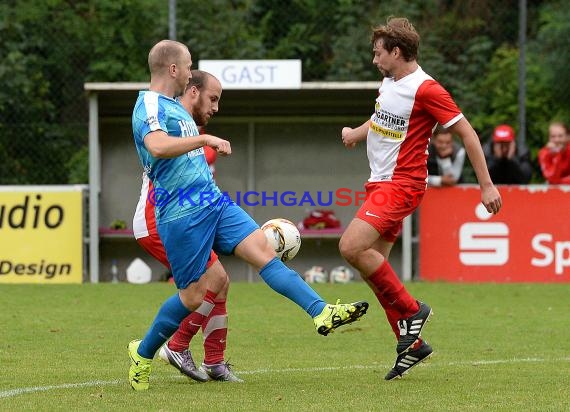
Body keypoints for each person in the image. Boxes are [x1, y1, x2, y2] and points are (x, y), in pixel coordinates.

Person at [128, 39, 369, 391]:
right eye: (189, 63)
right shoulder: (148, 104)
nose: (192, 69)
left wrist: (202, 140)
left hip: (213, 204)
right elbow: (157, 146)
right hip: (180, 214)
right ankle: (144, 352)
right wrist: (205, 140)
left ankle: (320, 311)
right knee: (194, 295)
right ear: (174, 69)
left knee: (263, 251)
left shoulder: (177, 107)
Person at [339, 17, 502, 380]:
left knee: (351, 247)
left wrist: (486, 185)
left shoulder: (427, 89)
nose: (374, 60)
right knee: (373, 268)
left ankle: (413, 312)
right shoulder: (390, 82)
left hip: (402, 183)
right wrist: (356, 133)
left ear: (397, 52)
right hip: (379, 183)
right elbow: (381, 119)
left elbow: (468, 134)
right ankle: (412, 345)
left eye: (378, 53)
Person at [132, 70, 238, 383]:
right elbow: (160, 154)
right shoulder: (170, 125)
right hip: (157, 220)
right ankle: (172, 347)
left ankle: (213, 361)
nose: (214, 108)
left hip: (183, 217)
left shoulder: (193, 132)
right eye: (212, 99)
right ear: (191, 93)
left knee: (219, 280)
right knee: (207, 284)